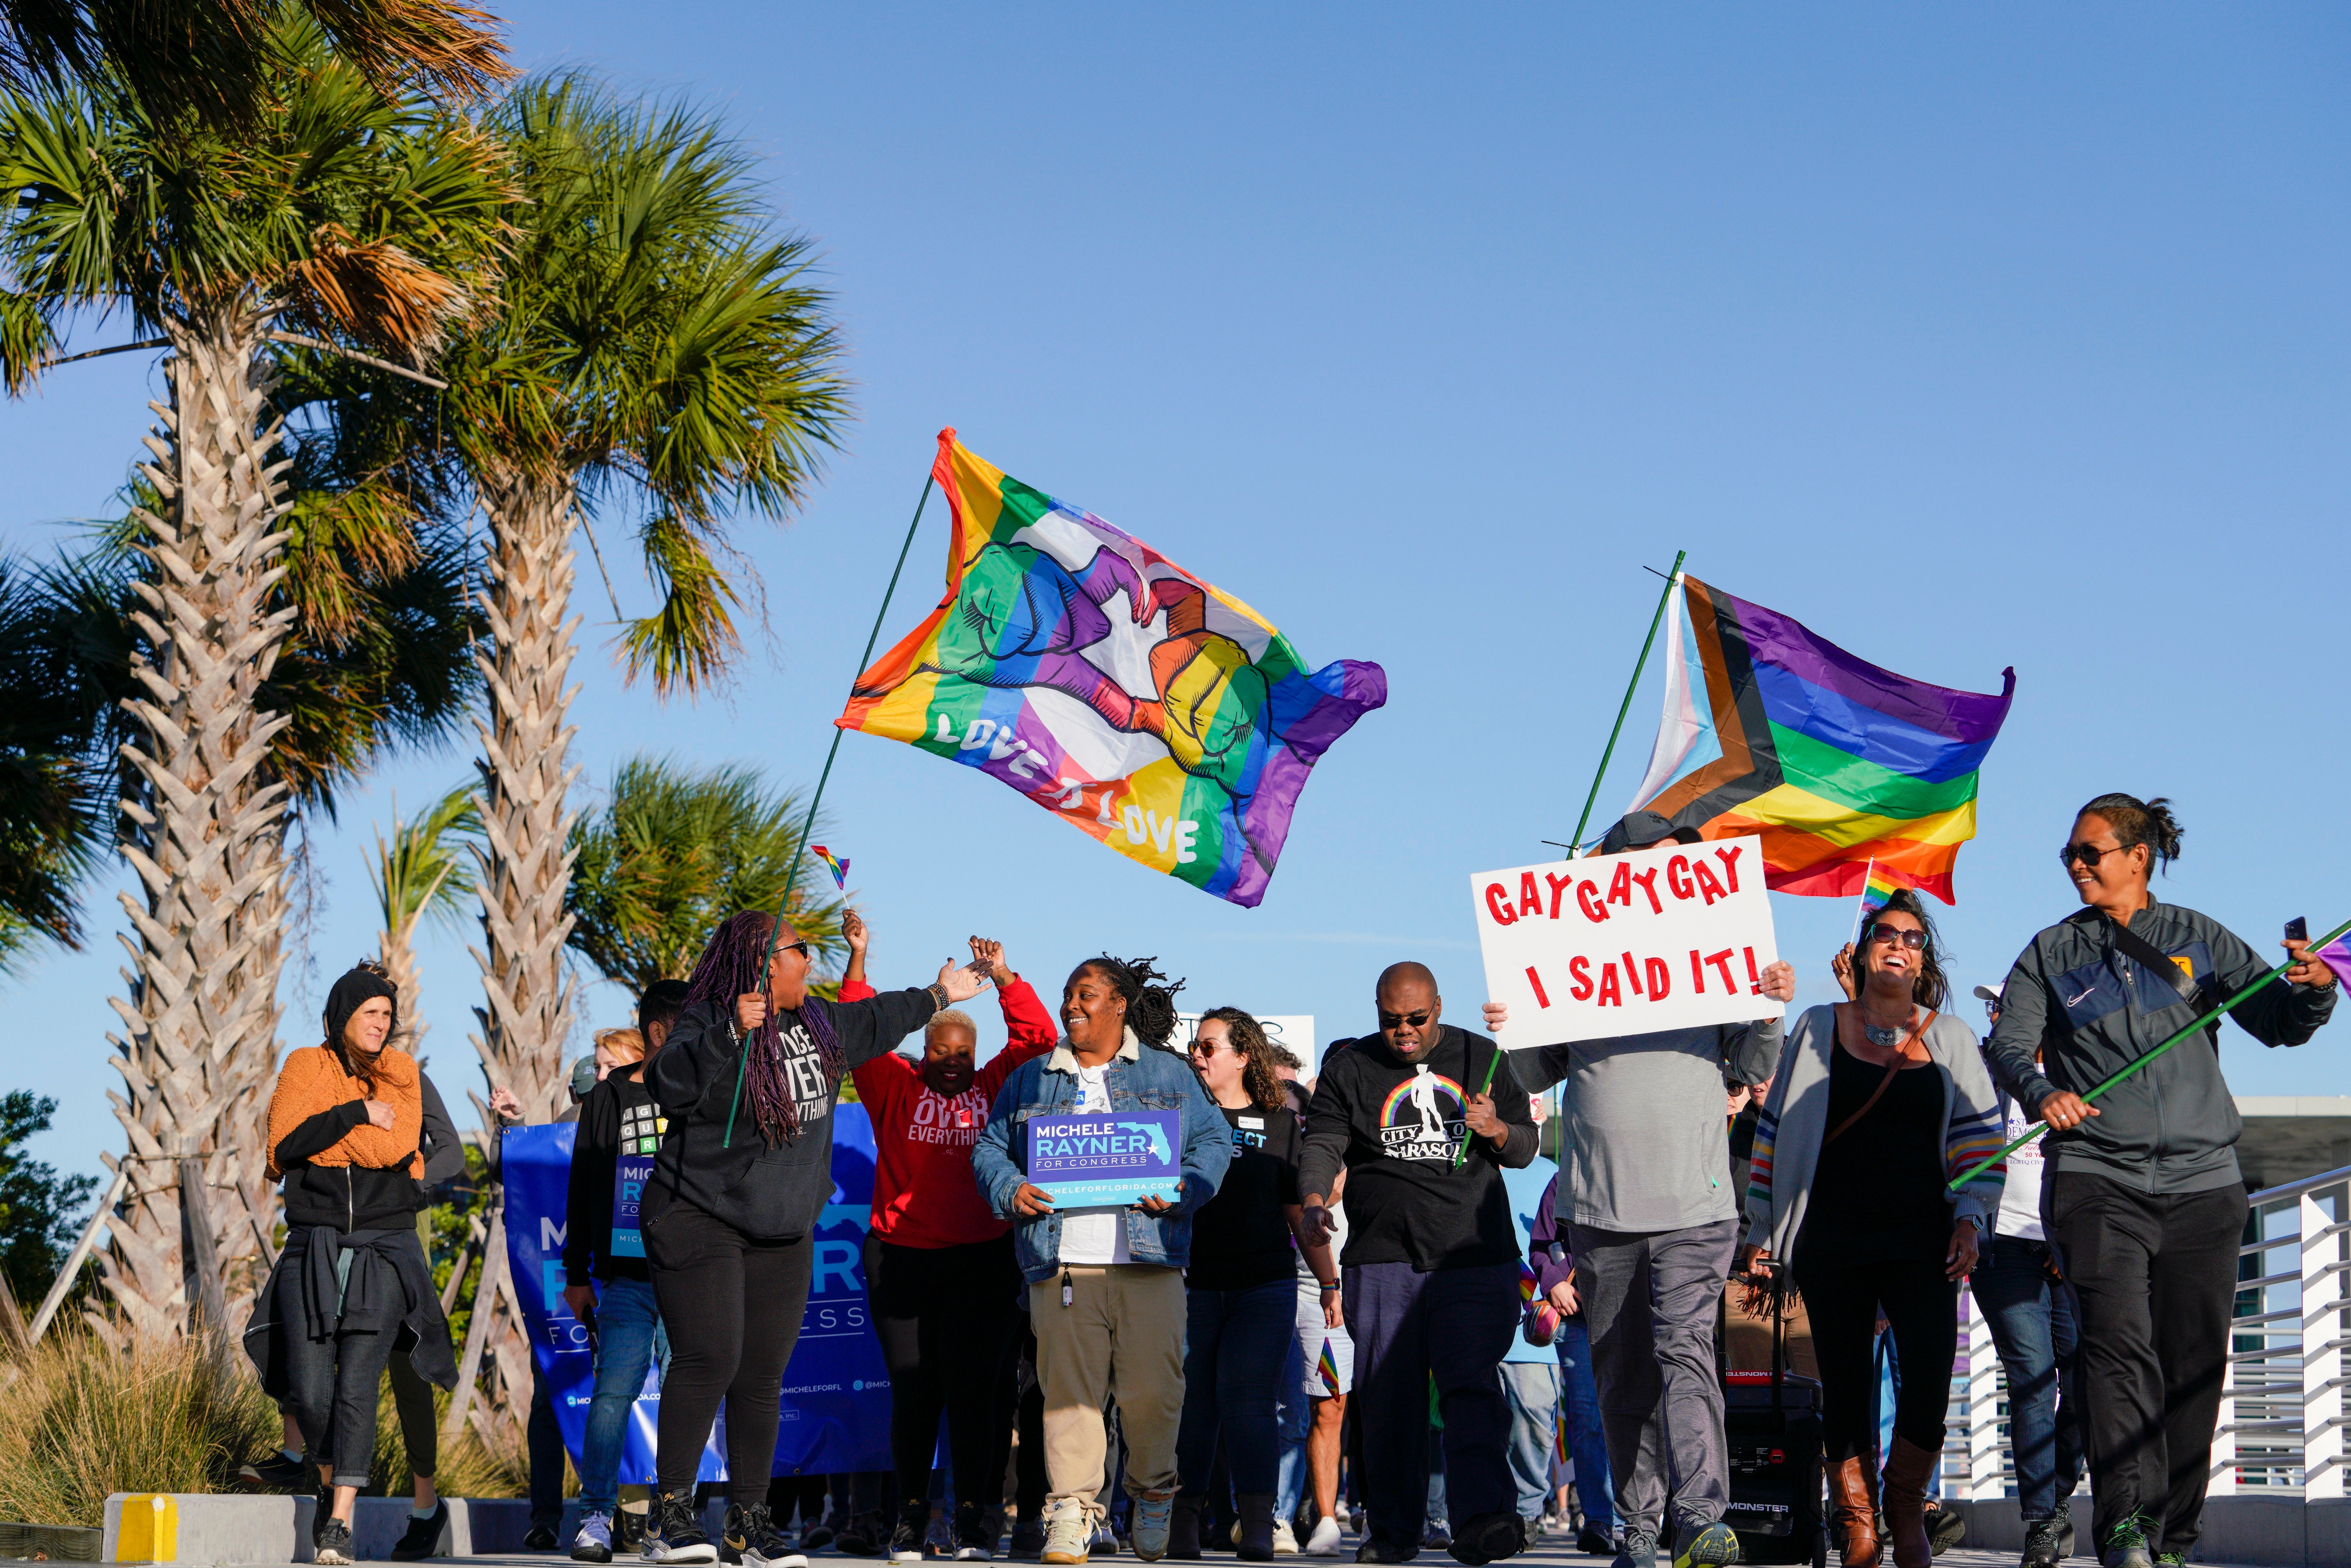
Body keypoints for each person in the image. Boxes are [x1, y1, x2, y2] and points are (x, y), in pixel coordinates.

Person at [1985, 794, 2337, 1568]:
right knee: (2115, 1353)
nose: (2075, 866)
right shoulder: (2049, 952)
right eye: (2068, 857)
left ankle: (2172, 1536)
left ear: (2136, 856)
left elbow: (2277, 1020)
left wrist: (2312, 988)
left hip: (2205, 1185)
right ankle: (2120, 1527)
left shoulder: (2199, 939)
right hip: (2095, 1179)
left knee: (2192, 1365)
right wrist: (2041, 1092)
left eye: (2090, 853)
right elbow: (2006, 1044)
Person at [638, 911, 990, 1567]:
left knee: (761, 1376)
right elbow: (669, 1083)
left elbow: (881, 1017)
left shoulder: (821, 1023)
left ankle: (748, 1524)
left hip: (781, 1223)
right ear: (768, 960)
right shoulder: (710, 1014)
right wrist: (726, 1031)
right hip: (699, 1211)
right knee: (710, 1355)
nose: (811, 960)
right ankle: (673, 1516)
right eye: (803, 950)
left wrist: (940, 995)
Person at [1493, 811, 1793, 1568]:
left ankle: (1699, 1520)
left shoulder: (1711, 953)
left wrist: (1767, 1004)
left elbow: (1752, 1059)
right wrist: (1512, 1023)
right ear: (1614, 873)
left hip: (1695, 1205)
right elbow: (1533, 1074)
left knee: (1684, 1353)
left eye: (1681, 866)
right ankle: (1637, 1524)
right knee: (1620, 1376)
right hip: (1601, 1208)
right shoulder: (1567, 959)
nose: (1672, 878)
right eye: (1656, 863)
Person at [1734, 892, 2003, 1568]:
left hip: (1924, 1237)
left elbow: (1979, 1141)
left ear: (1923, 960)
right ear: (1859, 950)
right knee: (1848, 1384)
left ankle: (1905, 1505)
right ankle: (1858, 1523)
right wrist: (1763, 1228)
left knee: (1931, 1374)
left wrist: (1971, 1218)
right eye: (1884, 932)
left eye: (1912, 938)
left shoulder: (1951, 1036)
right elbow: (1775, 1133)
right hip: (1832, 1235)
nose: (1898, 943)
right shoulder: (1817, 1025)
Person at [971, 956, 1234, 1567]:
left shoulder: (1168, 1073)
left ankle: (1152, 1489)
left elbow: (1214, 1140)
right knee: (1068, 1397)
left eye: (1085, 994)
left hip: (1150, 1258)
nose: (1072, 1005)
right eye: (1068, 995)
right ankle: (1071, 1510)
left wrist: (1186, 1187)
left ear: (1119, 1004)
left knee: (1153, 1394)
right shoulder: (1034, 1077)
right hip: (1060, 1262)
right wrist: (1010, 1188)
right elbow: (990, 1146)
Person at [832, 916, 1060, 1563]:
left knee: (972, 1391)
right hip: (901, 1258)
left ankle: (969, 1518)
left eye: (964, 1053)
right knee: (914, 1389)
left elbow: (1038, 1038)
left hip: (981, 1261)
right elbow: (857, 1029)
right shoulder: (893, 1090)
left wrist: (1005, 978)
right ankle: (908, 1518)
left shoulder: (995, 1086)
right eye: (942, 1053)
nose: (954, 1064)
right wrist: (860, 958)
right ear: (924, 1052)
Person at [1299, 961, 1538, 1568]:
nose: (1402, 1031)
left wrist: (1498, 1130)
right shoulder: (1351, 1066)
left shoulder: (1481, 1055)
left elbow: (1527, 1147)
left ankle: (1484, 1521)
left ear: (1438, 1005)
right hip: (1383, 1258)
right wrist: (1310, 1199)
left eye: (1415, 1019)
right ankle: (1393, 1531)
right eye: (1389, 1020)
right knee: (1388, 1401)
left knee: (1470, 1388)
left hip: (1473, 1257)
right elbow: (1323, 1140)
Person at [246, 964, 456, 1568]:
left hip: (387, 1249)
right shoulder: (306, 1068)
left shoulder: (403, 1075)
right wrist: (356, 1116)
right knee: (311, 1392)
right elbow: (284, 1145)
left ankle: (340, 1521)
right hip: (313, 1243)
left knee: (367, 1387)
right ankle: (319, 1471)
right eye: (371, 1012)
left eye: (389, 1015)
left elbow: (403, 1146)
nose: (383, 1023)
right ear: (342, 1015)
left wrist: (407, 1170)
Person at [1171, 1009, 1340, 1561]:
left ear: (1244, 1056)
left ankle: (1259, 1527)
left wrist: (1329, 1281)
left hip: (1264, 1288)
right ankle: (1185, 1526)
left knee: (1248, 1404)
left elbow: (1299, 1215)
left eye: (1209, 1047)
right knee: (1194, 1407)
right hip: (1192, 1286)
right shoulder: (1177, 1119)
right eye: (1195, 1047)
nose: (1197, 1055)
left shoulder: (1280, 1123)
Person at [563, 981, 692, 1564]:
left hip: (691, 1273)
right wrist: (577, 1273)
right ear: (654, 1033)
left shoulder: (699, 1088)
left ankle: (676, 1517)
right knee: (613, 1393)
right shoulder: (608, 1096)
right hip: (625, 1278)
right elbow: (584, 1185)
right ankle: (595, 1515)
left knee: (687, 1395)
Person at [1969, 980, 2084, 1568]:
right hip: (2000, 1247)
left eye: (2008, 1008)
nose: (1997, 1017)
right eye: (1992, 1008)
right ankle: (2041, 1520)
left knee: (2086, 1374)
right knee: (2033, 1376)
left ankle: (2058, 1491)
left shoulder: (2078, 1070)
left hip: (2068, 1246)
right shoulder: (1976, 1079)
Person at [1525, 1172, 1614, 1558]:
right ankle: (1599, 1519)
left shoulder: (1637, 1165)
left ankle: (1640, 1519)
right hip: (1577, 1319)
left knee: (1635, 1415)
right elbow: (1541, 1246)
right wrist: (1553, 1281)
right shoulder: (1565, 1179)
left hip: (1630, 1315)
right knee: (1587, 1419)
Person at [1496, 1103, 1561, 1544]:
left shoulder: (1553, 1173)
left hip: (1536, 1330)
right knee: (1468, 1422)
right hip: (1474, 1318)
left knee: (1535, 1423)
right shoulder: (1467, 1166)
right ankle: (1477, 1511)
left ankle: (1527, 1512)